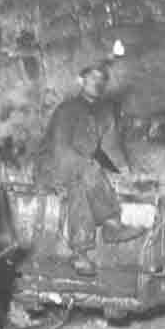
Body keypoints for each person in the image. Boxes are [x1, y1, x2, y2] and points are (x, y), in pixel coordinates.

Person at [35, 60, 145, 275]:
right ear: (81, 80)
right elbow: (60, 147)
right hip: (52, 164)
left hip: (82, 169)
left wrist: (125, 170)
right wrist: (85, 166)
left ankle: (104, 234)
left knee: (86, 176)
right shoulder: (68, 108)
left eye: (101, 79)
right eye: (91, 77)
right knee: (81, 180)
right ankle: (93, 242)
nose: (96, 82)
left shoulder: (104, 112)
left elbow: (111, 146)